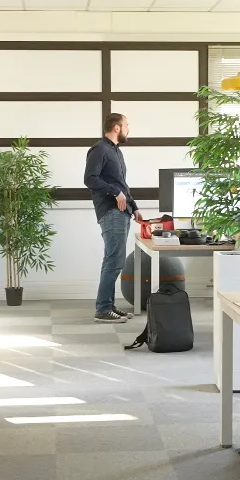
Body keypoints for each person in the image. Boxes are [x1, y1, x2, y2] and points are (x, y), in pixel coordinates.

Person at [85, 112, 140, 323]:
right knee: (114, 260)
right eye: (126, 125)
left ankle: (108, 305)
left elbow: (121, 184)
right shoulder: (99, 149)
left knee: (112, 259)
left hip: (122, 212)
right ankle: (102, 309)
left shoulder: (116, 151)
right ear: (117, 128)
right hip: (110, 211)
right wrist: (114, 192)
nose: (128, 129)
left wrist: (134, 207)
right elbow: (90, 178)